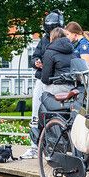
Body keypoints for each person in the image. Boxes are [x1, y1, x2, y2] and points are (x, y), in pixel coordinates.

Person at [22, 10, 64, 159]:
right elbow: (34, 57)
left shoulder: (64, 40)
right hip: (43, 79)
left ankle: (57, 144)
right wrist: (36, 63)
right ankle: (34, 146)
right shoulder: (44, 40)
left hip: (57, 80)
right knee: (36, 110)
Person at [41, 27, 76, 95]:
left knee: (42, 87)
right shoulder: (72, 50)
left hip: (59, 87)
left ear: (52, 37)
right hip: (74, 86)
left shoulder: (49, 52)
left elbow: (46, 79)